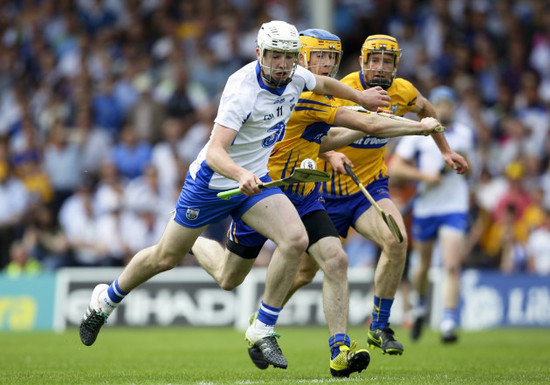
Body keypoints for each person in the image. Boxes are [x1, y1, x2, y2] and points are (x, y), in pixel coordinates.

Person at [78, 20, 394, 370]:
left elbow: (321, 81)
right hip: (212, 184)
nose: (282, 64)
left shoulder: (296, 77)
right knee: (165, 258)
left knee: (294, 238)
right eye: (274, 56)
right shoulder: (242, 89)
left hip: (253, 182)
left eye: (288, 57)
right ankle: (104, 302)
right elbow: (215, 152)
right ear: (259, 53)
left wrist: (361, 96)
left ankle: (262, 330)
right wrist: (241, 173)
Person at [191, 29, 444, 376]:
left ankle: (339, 349)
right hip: (265, 193)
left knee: (336, 260)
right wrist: (418, 129)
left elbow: (324, 136)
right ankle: (195, 241)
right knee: (228, 278)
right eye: (319, 57)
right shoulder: (299, 93)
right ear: (302, 59)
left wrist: (335, 147)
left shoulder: (316, 92)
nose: (326, 64)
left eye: (331, 57)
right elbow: (358, 123)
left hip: (305, 195)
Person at [291, 34, 469, 356]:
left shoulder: (402, 91)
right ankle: (265, 317)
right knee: (304, 273)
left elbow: (426, 109)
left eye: (387, 61)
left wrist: (445, 151)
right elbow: (315, 133)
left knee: (397, 240)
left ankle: (379, 326)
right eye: (374, 59)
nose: (380, 66)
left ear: (396, 65)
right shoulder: (342, 89)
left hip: (369, 187)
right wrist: (331, 155)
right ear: (362, 62)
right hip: (327, 193)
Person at [388, 86, 474, 343]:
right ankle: (421, 305)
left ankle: (448, 322)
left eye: (449, 104)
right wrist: (425, 176)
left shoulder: (464, 135)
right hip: (425, 207)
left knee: (450, 265)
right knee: (422, 266)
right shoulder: (417, 134)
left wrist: (462, 167)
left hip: (454, 207)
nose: (445, 108)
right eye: (440, 104)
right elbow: (395, 168)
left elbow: (470, 170)